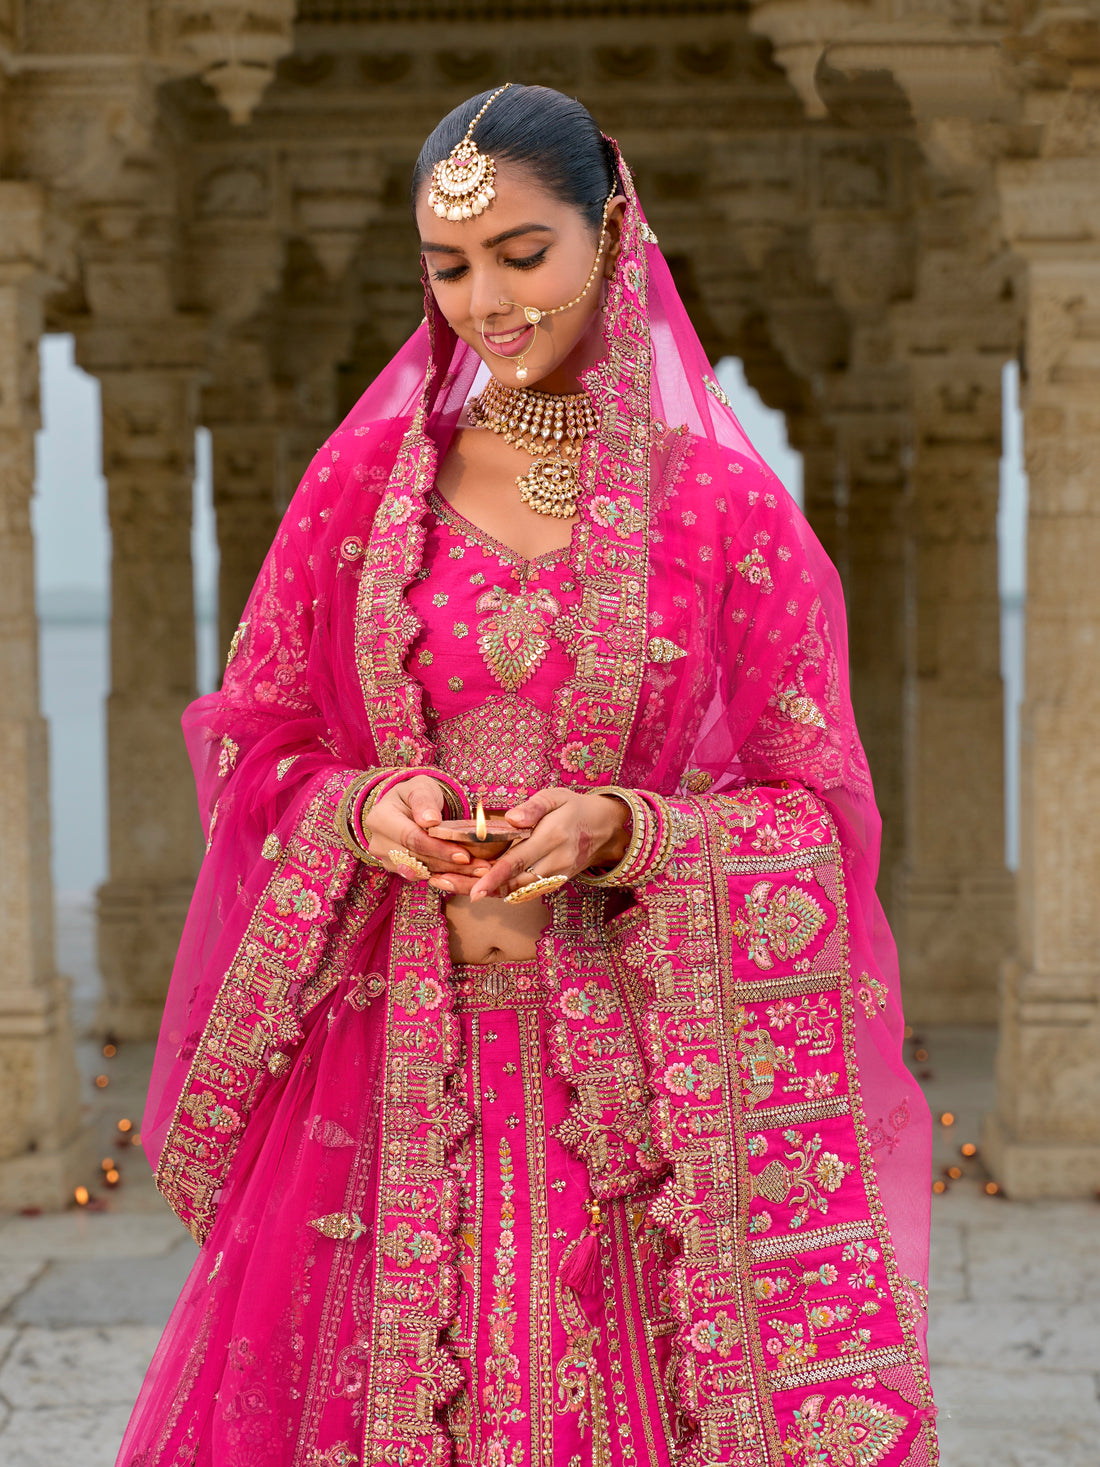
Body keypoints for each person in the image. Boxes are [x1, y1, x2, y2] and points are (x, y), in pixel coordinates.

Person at [118, 83, 937, 1467]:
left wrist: (630, 830)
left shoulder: (722, 508)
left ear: (612, 235)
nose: (487, 302)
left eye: (520, 254)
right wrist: (366, 807)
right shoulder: (360, 492)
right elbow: (258, 739)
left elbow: (819, 809)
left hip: (632, 1083)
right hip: (385, 1059)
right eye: (449, 268)